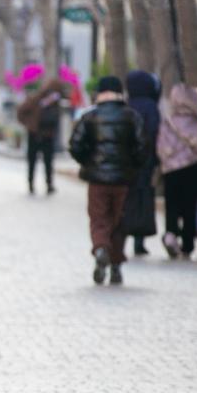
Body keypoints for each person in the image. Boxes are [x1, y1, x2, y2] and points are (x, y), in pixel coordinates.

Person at [68, 76, 146, 285]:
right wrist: (132, 166)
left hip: (97, 180)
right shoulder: (132, 116)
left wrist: (89, 162)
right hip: (123, 180)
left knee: (99, 218)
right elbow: (142, 147)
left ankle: (101, 248)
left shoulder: (89, 117)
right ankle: (116, 265)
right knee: (119, 221)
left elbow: (75, 145)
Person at [156, 83, 197, 259]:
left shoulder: (168, 122)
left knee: (171, 205)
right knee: (190, 206)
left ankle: (171, 235)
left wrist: (168, 160)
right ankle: (188, 243)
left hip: (170, 170)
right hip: (192, 168)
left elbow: (160, 147)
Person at [121, 71, 161, 257]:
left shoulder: (126, 105)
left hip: (125, 161)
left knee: (126, 198)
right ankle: (139, 240)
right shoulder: (151, 107)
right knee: (142, 197)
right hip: (145, 160)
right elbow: (154, 132)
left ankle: (123, 235)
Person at [17, 79, 66, 195]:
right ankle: (31, 183)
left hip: (47, 135)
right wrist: (29, 124)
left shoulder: (55, 102)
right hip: (35, 134)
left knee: (48, 161)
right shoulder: (36, 98)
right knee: (32, 160)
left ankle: (48, 184)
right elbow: (21, 111)